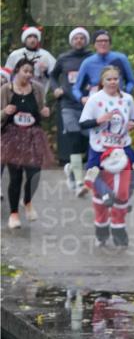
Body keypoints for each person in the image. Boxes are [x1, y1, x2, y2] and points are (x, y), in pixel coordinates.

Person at [1, 58, 53, 229]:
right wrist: (4, 112)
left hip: (33, 137)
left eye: (31, 72)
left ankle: (27, 200)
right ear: (17, 71)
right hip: (12, 137)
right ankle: (14, 214)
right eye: (25, 71)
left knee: (34, 174)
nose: (29, 74)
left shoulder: (37, 89)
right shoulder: (6, 90)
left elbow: (42, 110)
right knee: (15, 177)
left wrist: (45, 112)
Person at [49, 28, 94, 196]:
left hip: (88, 104)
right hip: (68, 104)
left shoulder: (92, 58)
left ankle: (72, 170)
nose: (79, 40)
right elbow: (53, 76)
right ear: (71, 41)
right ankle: (79, 180)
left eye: (82, 38)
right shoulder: (64, 58)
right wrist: (56, 88)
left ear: (86, 41)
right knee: (74, 138)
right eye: (76, 38)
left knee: (89, 141)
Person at [78, 66, 134, 171]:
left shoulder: (127, 99)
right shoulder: (94, 99)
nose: (113, 82)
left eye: (115, 79)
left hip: (122, 144)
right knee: (93, 175)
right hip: (100, 146)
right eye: (109, 79)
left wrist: (132, 123)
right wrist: (98, 120)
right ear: (102, 82)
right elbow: (82, 124)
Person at [84, 147, 134, 247]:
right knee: (103, 214)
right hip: (105, 190)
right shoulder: (97, 157)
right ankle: (104, 236)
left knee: (114, 214)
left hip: (120, 190)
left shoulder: (125, 155)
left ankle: (115, 237)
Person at [72, 30, 134, 103]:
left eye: (106, 41)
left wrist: (125, 93)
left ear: (110, 44)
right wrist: (81, 98)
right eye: (99, 41)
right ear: (94, 45)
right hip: (97, 102)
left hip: (118, 100)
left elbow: (131, 82)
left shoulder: (121, 59)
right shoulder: (87, 63)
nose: (103, 43)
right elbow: (76, 88)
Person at [5, 26, 56, 93]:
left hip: (38, 92)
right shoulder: (15, 55)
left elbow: (55, 76)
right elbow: (6, 74)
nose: (33, 39)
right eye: (29, 37)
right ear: (25, 40)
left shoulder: (46, 55)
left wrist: (45, 72)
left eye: (35, 37)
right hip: (16, 92)